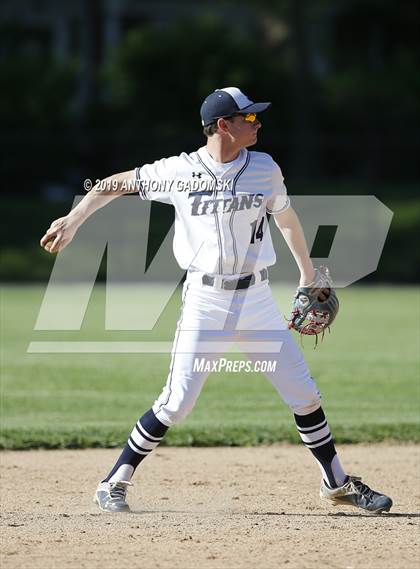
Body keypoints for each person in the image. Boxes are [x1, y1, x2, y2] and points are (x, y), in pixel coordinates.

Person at [40, 87, 392, 514]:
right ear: (223, 125)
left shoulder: (264, 168)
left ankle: (336, 483)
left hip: (257, 298)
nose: (257, 123)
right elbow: (115, 184)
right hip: (205, 300)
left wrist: (306, 273)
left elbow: (286, 219)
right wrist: (74, 220)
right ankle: (113, 481)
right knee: (176, 403)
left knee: (304, 394)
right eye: (249, 118)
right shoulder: (178, 171)